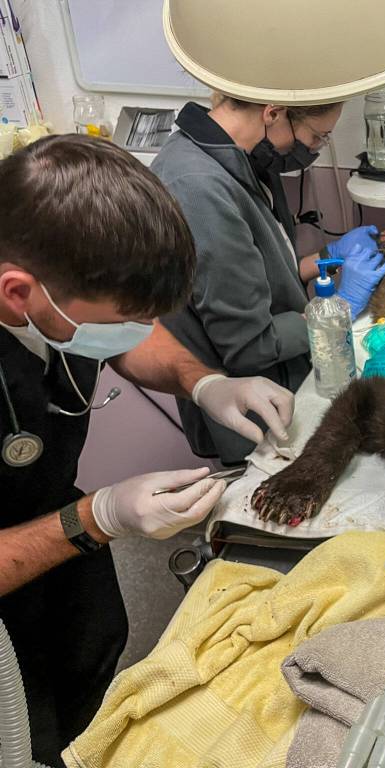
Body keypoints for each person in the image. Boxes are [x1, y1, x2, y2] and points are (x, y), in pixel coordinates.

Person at [0, 135, 295, 765]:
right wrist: (98, 516)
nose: (128, 333)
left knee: (91, 678)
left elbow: (129, 331)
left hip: (57, 534)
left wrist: (205, 383)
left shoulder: (60, 287)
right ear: (18, 293)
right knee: (28, 729)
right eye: (114, 322)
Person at [152, 95, 385, 463]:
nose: (314, 149)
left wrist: (325, 258)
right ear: (274, 113)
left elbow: (250, 274)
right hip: (253, 410)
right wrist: (339, 309)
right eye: (318, 137)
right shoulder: (198, 187)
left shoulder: (238, 155)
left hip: (281, 380)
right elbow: (251, 345)